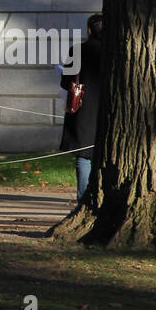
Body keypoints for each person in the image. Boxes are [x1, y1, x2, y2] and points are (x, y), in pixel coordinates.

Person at [59, 13, 103, 203]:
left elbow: (66, 81)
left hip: (84, 109)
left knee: (84, 155)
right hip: (107, 108)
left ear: (89, 30)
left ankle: (83, 201)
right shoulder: (117, 51)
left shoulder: (77, 50)